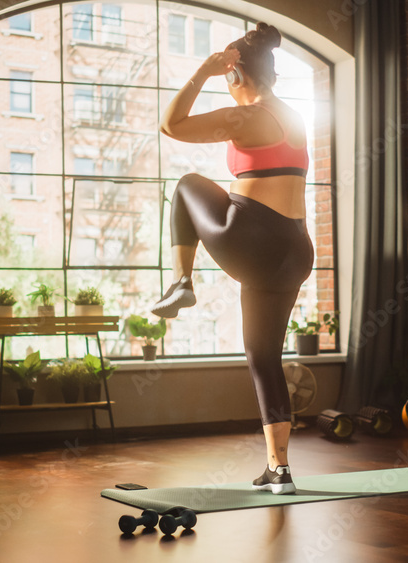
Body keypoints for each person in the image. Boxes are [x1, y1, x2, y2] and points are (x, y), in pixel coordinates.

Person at [152, 22, 312, 495]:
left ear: (235, 75)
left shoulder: (247, 118)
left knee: (185, 186)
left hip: (252, 236)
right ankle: (278, 468)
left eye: (227, 76)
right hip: (294, 250)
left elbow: (171, 124)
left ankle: (182, 282)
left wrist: (203, 71)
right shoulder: (294, 118)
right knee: (264, 356)